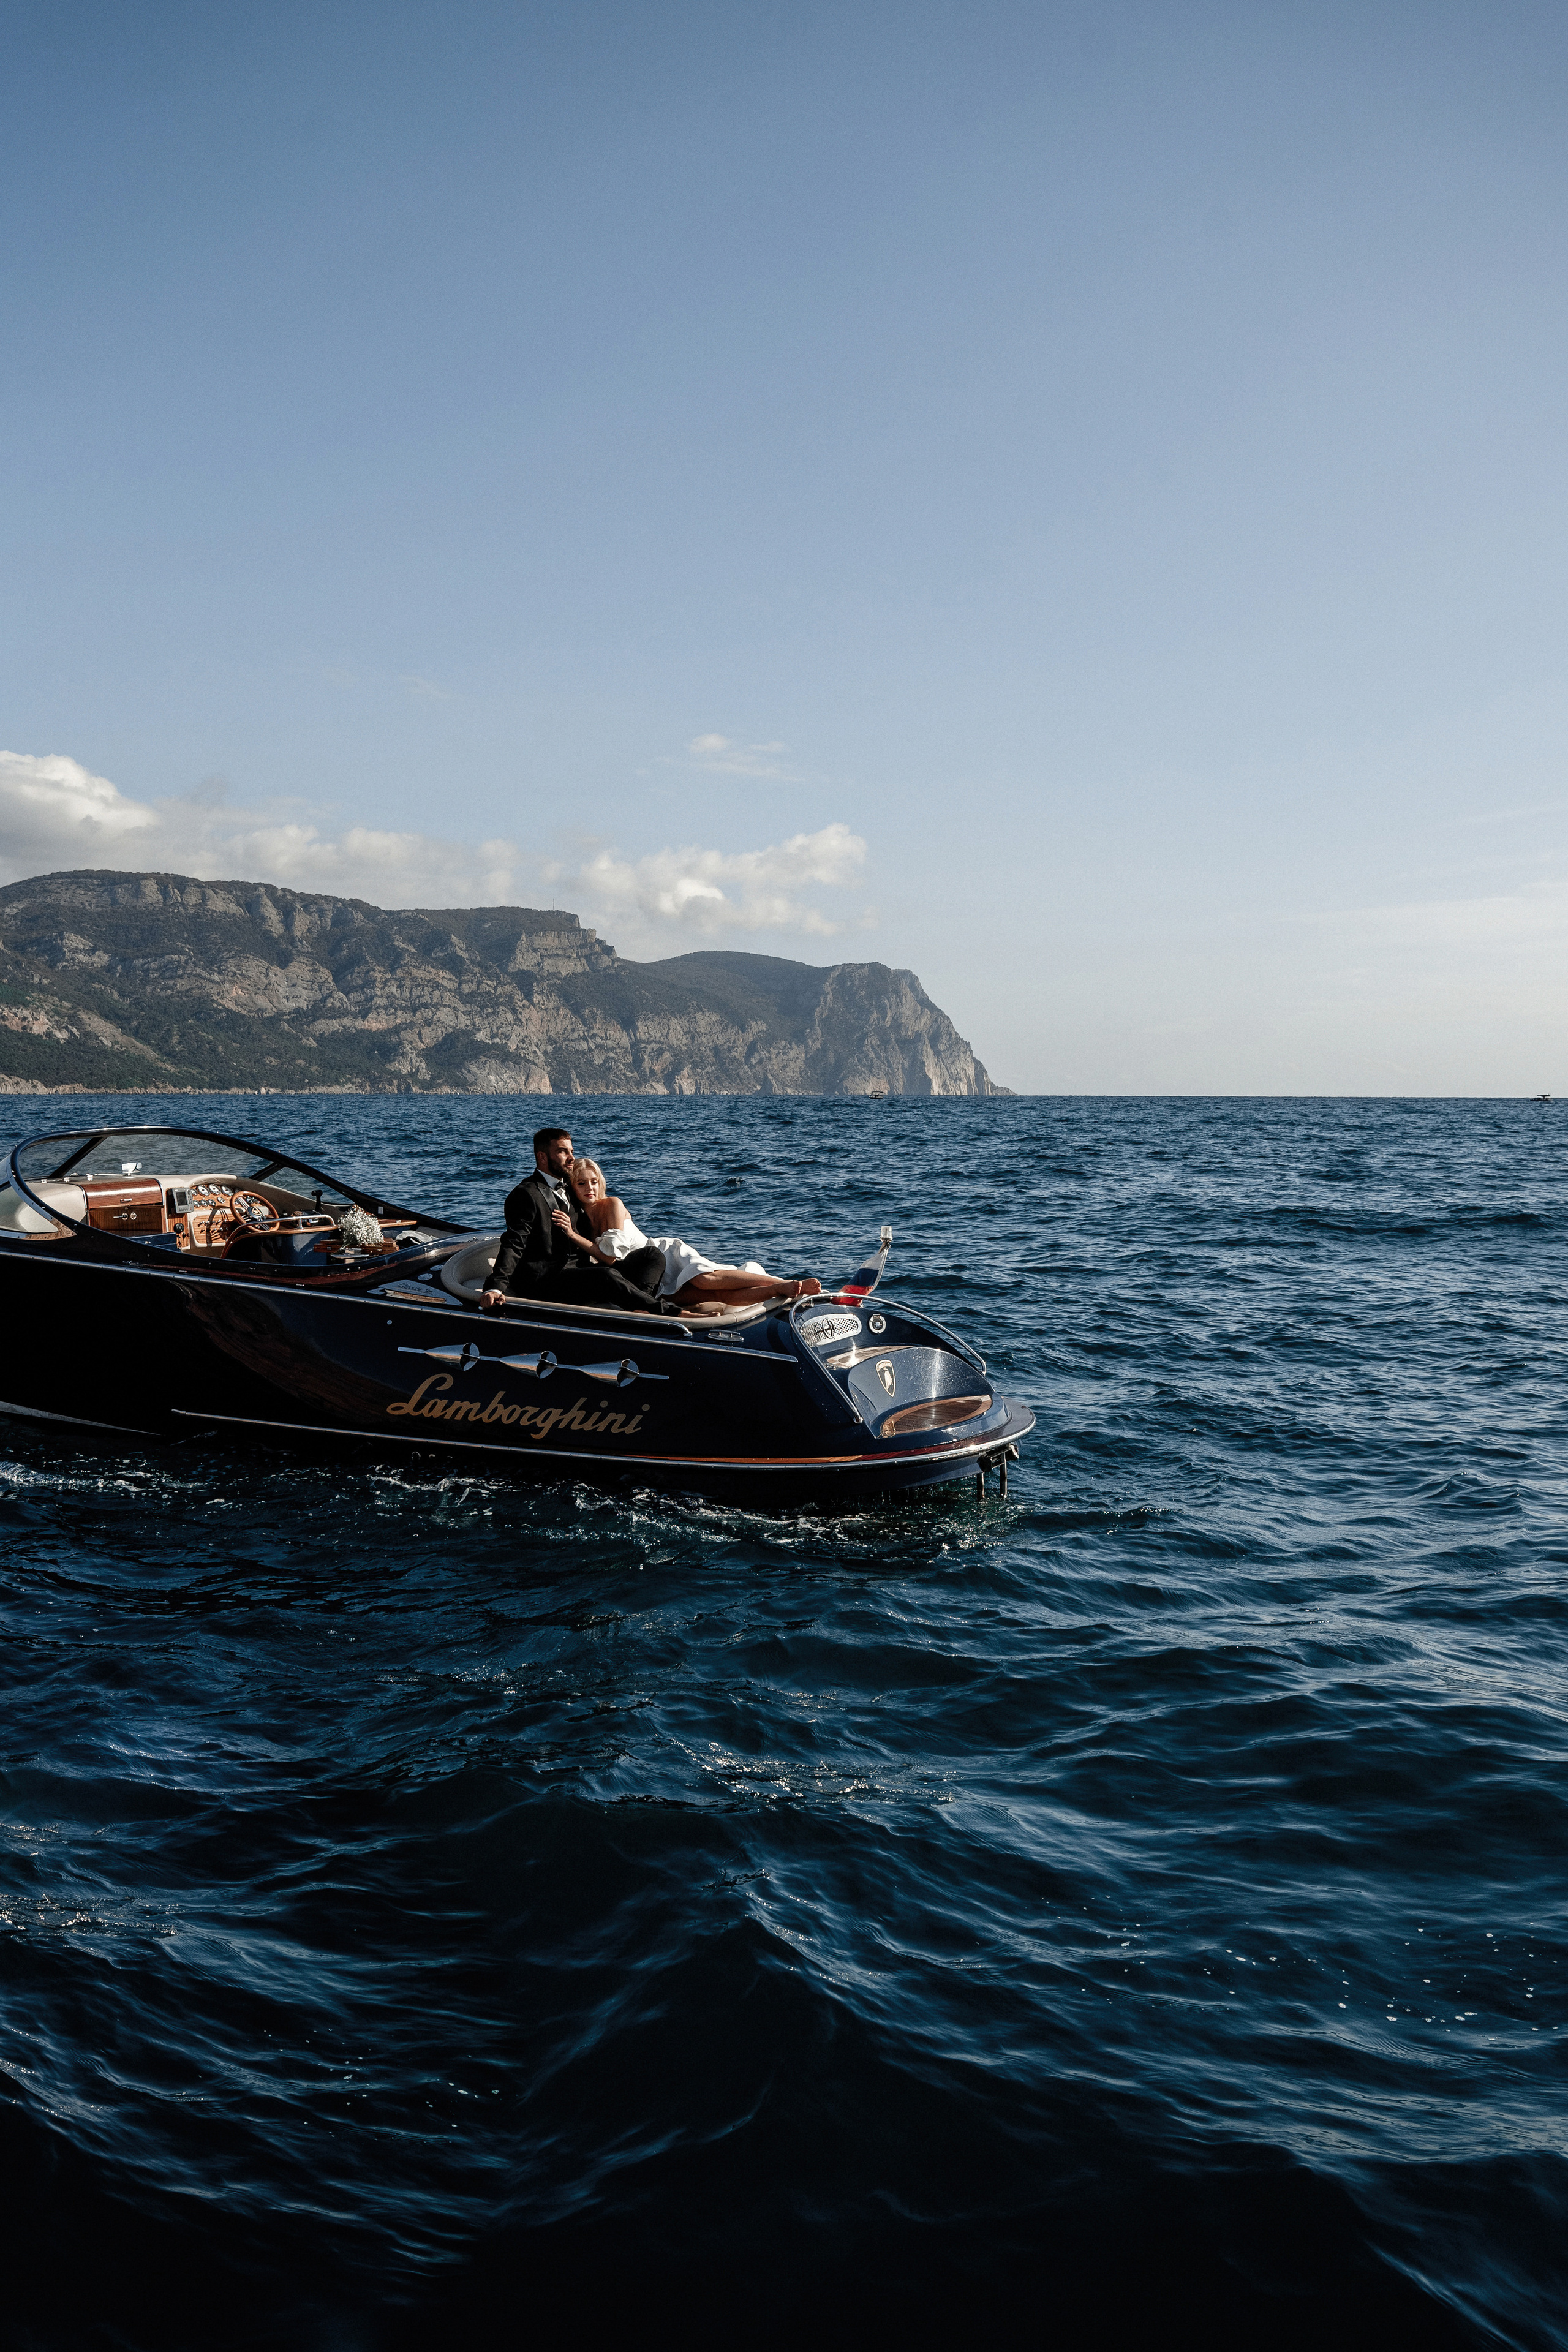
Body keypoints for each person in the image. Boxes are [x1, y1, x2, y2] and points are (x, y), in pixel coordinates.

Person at [565, 1156, 822, 1310]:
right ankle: (784, 1290)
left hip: (664, 1256)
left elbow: (612, 1256)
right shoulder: (584, 1221)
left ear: (601, 1182)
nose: (590, 1188)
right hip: (649, 1281)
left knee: (708, 1280)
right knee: (715, 1295)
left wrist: (575, 1237)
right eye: (581, 1183)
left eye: (594, 1181)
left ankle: (787, 1283)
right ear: (572, 1188)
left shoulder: (612, 1204)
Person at [479, 1126, 666, 1313]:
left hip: (582, 1271)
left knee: (652, 1256)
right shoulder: (526, 1194)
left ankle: (640, 1306)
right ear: (543, 1158)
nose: (571, 1158)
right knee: (605, 1275)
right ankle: (666, 1312)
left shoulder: (571, 1189)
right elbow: (514, 1243)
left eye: (571, 1151)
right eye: (562, 1152)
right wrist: (496, 1286)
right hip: (548, 1280)